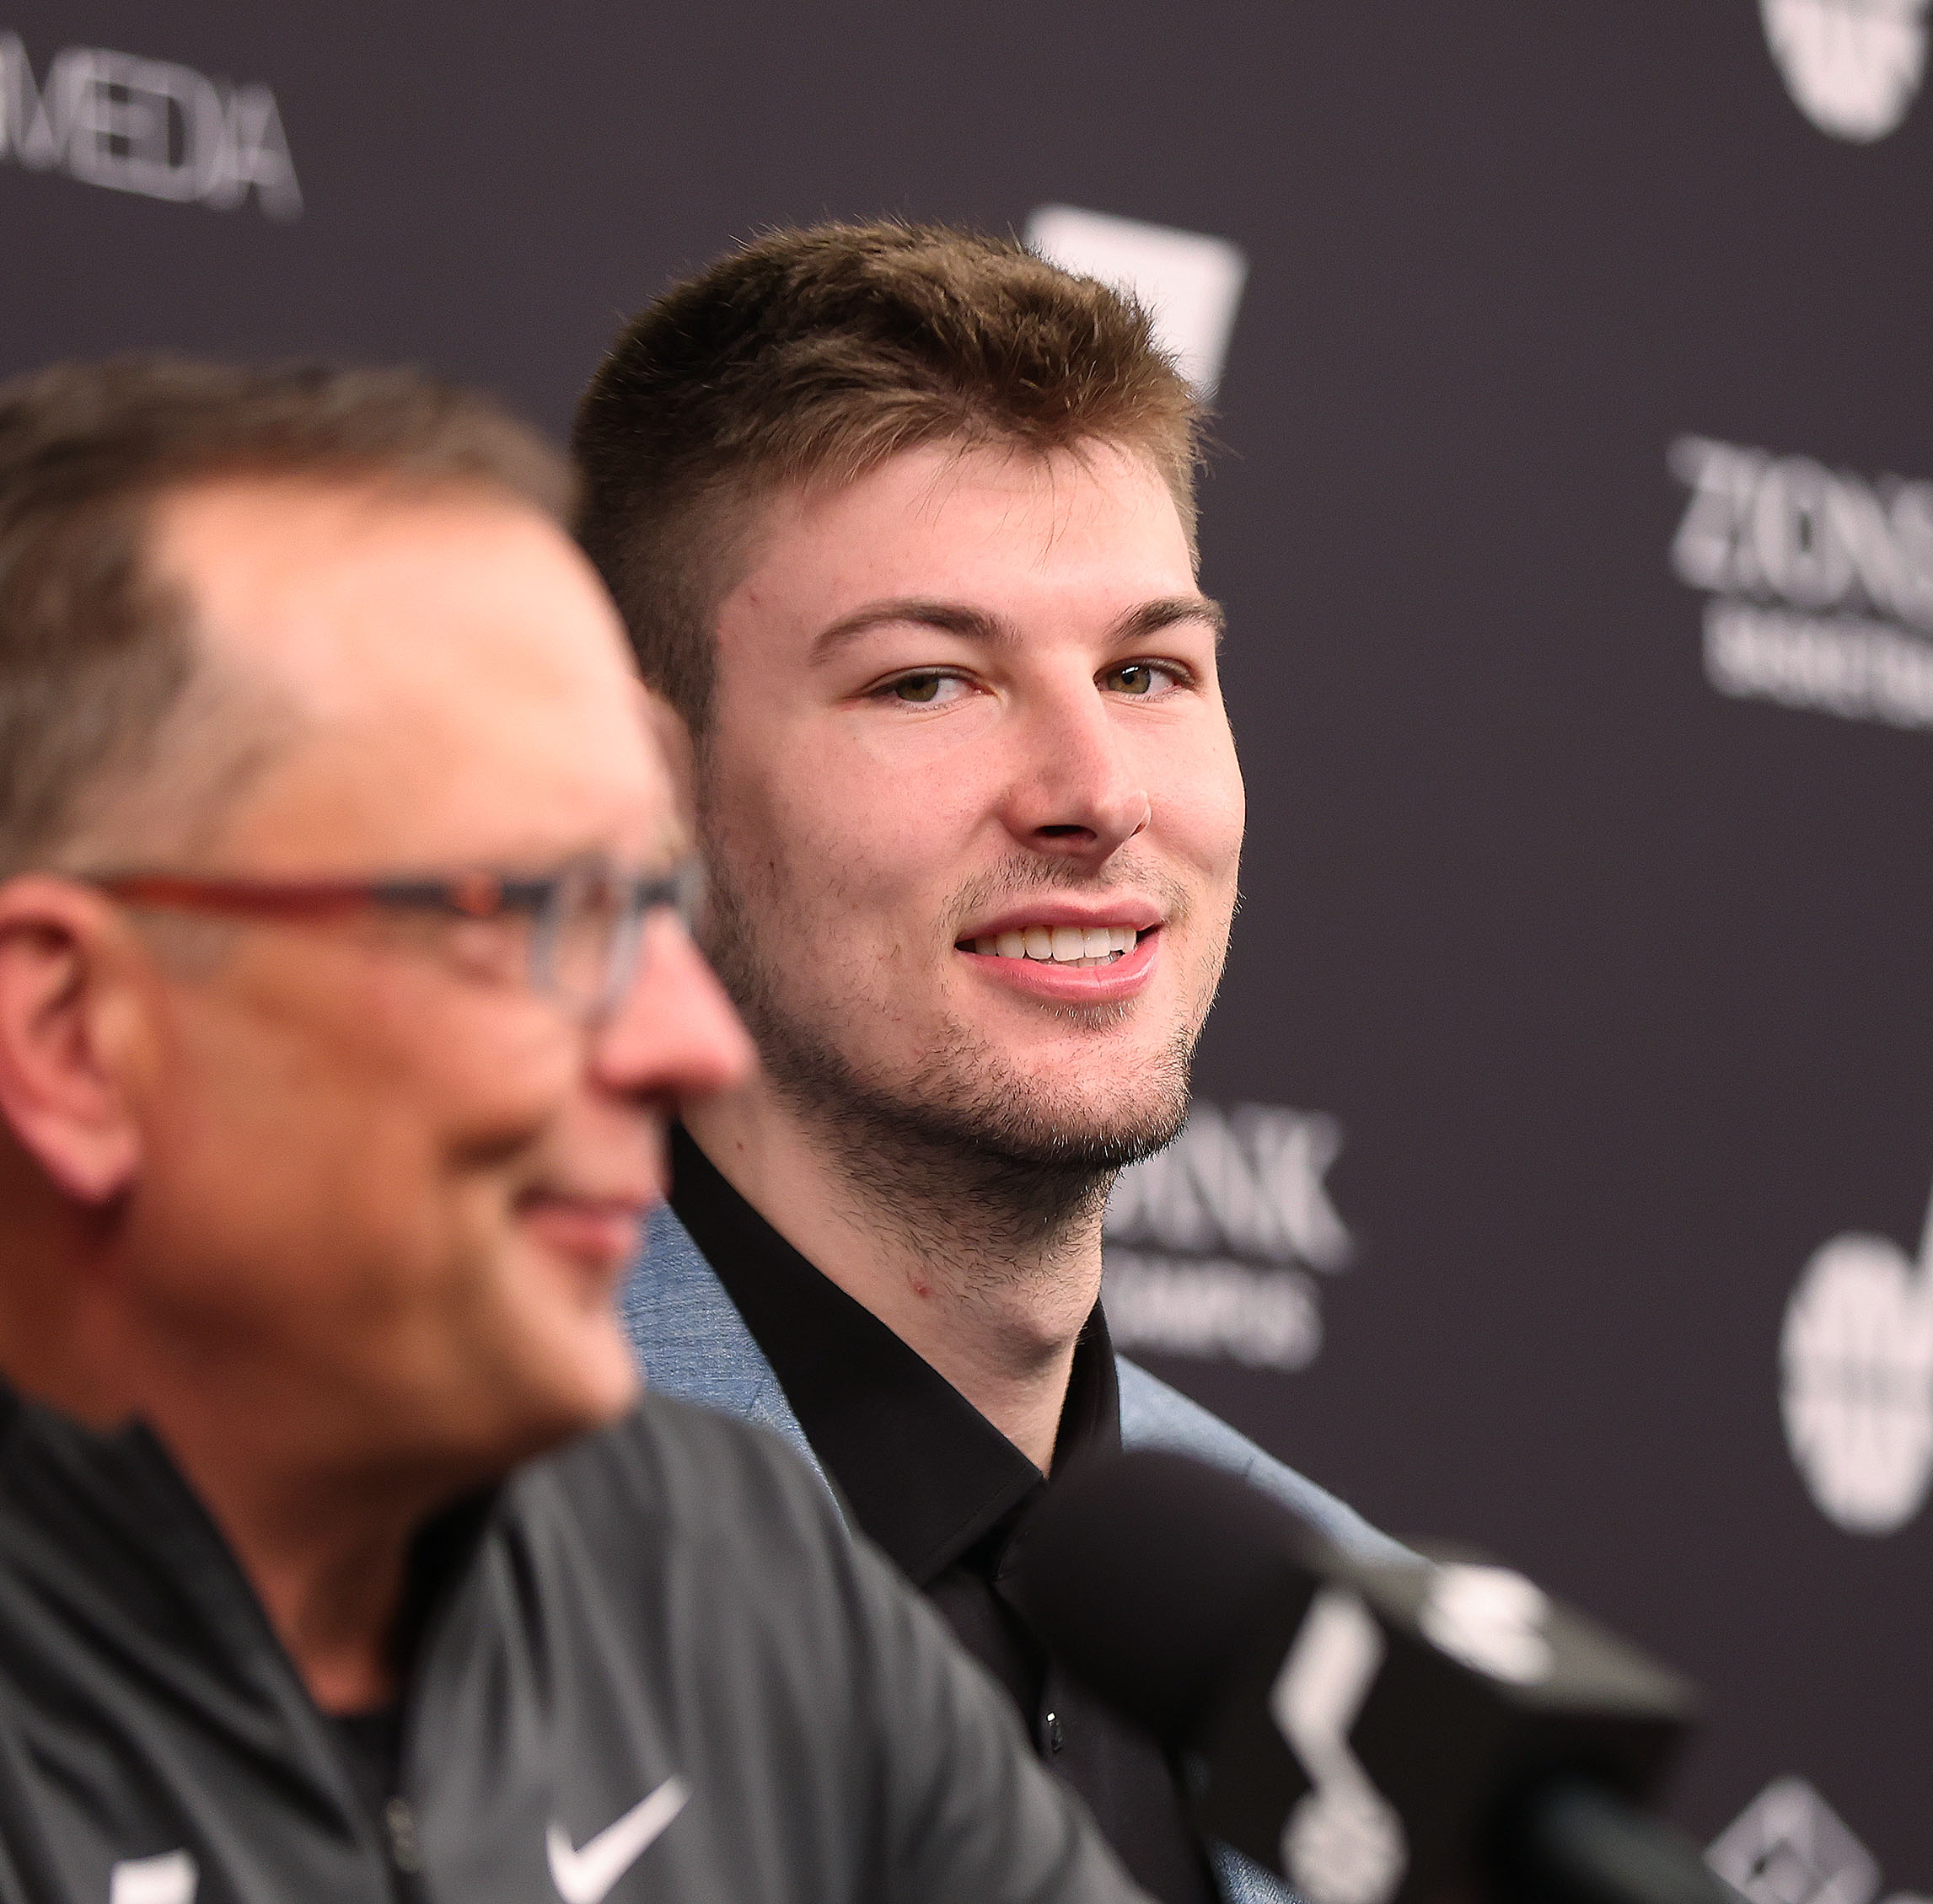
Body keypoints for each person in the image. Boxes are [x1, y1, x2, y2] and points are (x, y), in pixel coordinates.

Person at [0, 358, 1153, 1904]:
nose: (683, 1040)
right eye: (543, 913)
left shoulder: (718, 1564)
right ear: (67, 1036)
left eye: (661, 902)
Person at [574, 223, 1402, 1904]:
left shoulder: (1353, 1654)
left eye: (1147, 669)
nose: (1096, 788)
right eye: (930, 679)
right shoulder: (374, 1560)